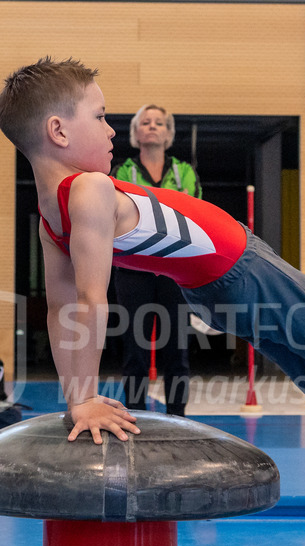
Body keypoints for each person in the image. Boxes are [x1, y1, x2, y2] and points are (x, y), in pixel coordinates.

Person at [0, 57, 305, 444]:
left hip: (211, 288)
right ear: (58, 131)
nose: (110, 130)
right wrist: (80, 402)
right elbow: (80, 304)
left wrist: (80, 397)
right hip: (237, 265)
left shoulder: (54, 216)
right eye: (100, 116)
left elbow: (66, 310)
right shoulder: (87, 189)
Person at [110, 104, 201, 416]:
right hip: (133, 269)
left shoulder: (185, 172)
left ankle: (178, 419)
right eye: (145, 122)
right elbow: (120, 213)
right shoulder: (124, 172)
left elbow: (191, 214)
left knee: (177, 349)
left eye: (159, 123)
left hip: (174, 271)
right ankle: (133, 416)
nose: (152, 127)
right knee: (134, 351)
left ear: (168, 134)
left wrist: (148, 210)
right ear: (136, 133)